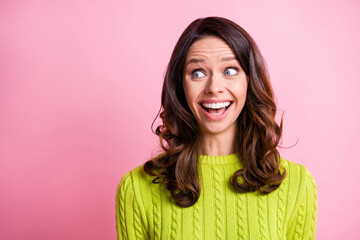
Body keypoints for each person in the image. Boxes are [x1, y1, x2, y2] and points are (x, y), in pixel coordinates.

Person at [115, 16, 317, 240]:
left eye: (230, 71)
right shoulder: (136, 188)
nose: (214, 87)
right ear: (180, 86)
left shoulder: (297, 185)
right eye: (198, 73)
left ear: (250, 81)